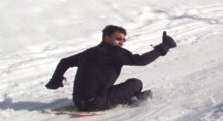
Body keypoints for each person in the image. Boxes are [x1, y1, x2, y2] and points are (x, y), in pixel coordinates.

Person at [45, 25, 177, 111]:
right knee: (135, 83)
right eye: (118, 38)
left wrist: (55, 82)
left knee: (125, 86)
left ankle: (131, 98)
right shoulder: (114, 52)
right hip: (94, 103)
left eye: (124, 40)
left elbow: (64, 62)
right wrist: (165, 46)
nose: (121, 42)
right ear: (106, 38)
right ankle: (134, 99)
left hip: (79, 101)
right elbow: (142, 61)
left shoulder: (90, 52)